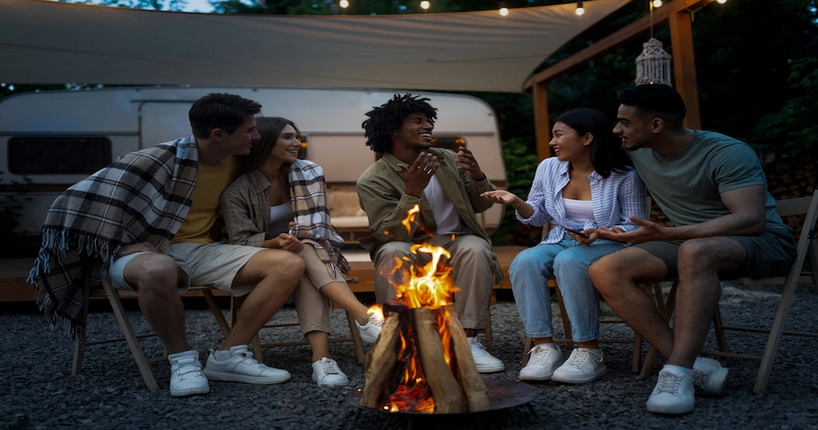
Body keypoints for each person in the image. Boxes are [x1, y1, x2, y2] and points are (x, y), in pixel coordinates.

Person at [29, 93, 301, 397]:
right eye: (249, 130)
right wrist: (118, 245)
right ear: (218, 135)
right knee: (158, 268)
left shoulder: (236, 164)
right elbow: (71, 203)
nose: (257, 136)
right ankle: (183, 361)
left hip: (201, 250)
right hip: (146, 252)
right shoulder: (155, 159)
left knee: (289, 264)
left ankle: (228, 356)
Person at [589, 84, 796, 414]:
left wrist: (671, 232)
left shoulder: (725, 152)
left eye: (625, 122)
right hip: (688, 242)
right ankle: (688, 363)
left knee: (696, 252)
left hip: (763, 243)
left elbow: (750, 220)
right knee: (606, 269)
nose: (617, 130)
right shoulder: (635, 149)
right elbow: (578, 158)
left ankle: (677, 373)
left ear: (656, 125)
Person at [481, 108, 646, 384]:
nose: (552, 142)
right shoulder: (548, 167)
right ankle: (544, 347)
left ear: (587, 138)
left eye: (559, 135)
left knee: (569, 262)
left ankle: (589, 351)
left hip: (609, 245)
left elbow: (636, 226)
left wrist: (601, 234)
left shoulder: (624, 175)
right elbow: (537, 217)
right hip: (562, 239)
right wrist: (515, 201)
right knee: (525, 261)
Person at [220, 116, 383, 387]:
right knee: (302, 254)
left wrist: (294, 243)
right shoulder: (237, 191)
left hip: (310, 255)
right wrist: (276, 243)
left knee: (305, 253)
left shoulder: (307, 173)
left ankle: (323, 359)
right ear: (265, 140)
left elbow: (316, 229)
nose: (297, 143)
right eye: (288, 137)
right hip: (260, 261)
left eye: (297, 136)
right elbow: (239, 241)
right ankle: (358, 323)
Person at [356, 93, 505, 373]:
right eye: (418, 121)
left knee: (475, 247)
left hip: (455, 243)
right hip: (409, 247)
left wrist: (477, 176)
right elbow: (389, 234)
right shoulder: (373, 178)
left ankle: (468, 341)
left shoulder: (447, 159)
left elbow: (482, 203)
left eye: (429, 121)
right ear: (393, 130)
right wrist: (411, 192)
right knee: (391, 252)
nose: (429, 126)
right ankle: (400, 343)